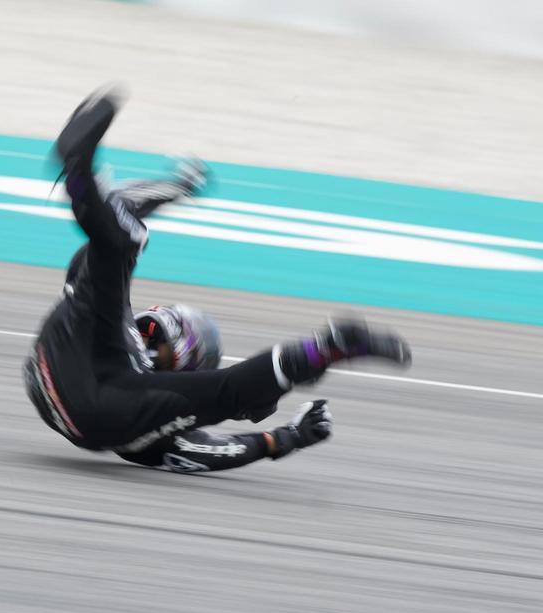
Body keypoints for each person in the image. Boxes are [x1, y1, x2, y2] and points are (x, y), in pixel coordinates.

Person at [22, 90, 412, 473]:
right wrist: (176, 189)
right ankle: (80, 175)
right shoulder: (106, 318)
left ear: (185, 369)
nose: (154, 338)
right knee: (115, 244)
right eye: (159, 329)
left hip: (91, 396)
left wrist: (284, 436)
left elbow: (214, 447)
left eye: (169, 344)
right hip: (64, 371)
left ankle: (333, 345)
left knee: (121, 246)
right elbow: (118, 222)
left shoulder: (160, 416)